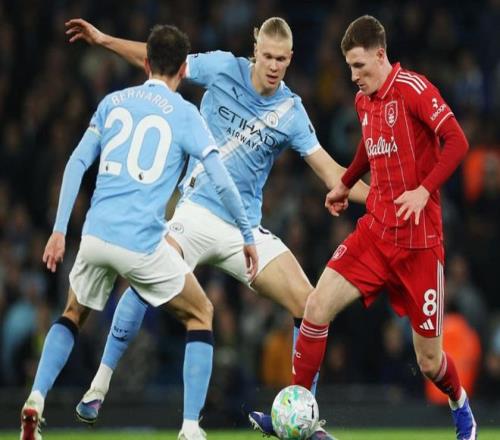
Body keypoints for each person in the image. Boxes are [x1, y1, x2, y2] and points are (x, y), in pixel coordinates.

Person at [65, 16, 370, 440]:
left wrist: (383, 200)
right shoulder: (223, 67)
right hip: (193, 212)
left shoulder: (291, 111)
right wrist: (103, 40)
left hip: (243, 230)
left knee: (311, 304)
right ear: (255, 50)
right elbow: (161, 63)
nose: (273, 66)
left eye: (282, 59)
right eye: (267, 56)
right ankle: (100, 384)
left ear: (290, 58)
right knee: (143, 277)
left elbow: (332, 172)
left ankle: (303, 417)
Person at [20, 24, 257, 440]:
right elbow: (221, 181)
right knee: (200, 312)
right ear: (183, 69)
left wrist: (59, 230)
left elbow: (76, 163)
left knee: (73, 314)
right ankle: (190, 427)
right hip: (142, 242)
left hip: (95, 236)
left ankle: (36, 398)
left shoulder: (112, 102)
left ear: (145, 63)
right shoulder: (186, 114)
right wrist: (248, 235)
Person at [287, 15, 476, 440]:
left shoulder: (414, 89)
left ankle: (460, 402)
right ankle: (298, 416)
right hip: (375, 234)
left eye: (359, 66)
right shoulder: (364, 101)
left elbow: (457, 141)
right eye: (349, 68)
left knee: (429, 362)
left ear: (380, 55)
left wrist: (424, 191)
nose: (354, 76)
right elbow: (370, 147)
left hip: (419, 245)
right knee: (315, 308)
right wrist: (345, 183)